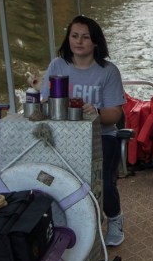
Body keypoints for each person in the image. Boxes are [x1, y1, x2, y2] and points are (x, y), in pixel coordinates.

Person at [41, 15, 127, 247]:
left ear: (96, 42)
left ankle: (115, 218)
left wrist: (95, 112)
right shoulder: (57, 66)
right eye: (74, 36)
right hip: (64, 135)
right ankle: (57, 222)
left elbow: (115, 115)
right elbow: (45, 103)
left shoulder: (108, 71)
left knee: (104, 183)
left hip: (101, 136)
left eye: (85, 37)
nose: (79, 42)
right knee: (47, 177)